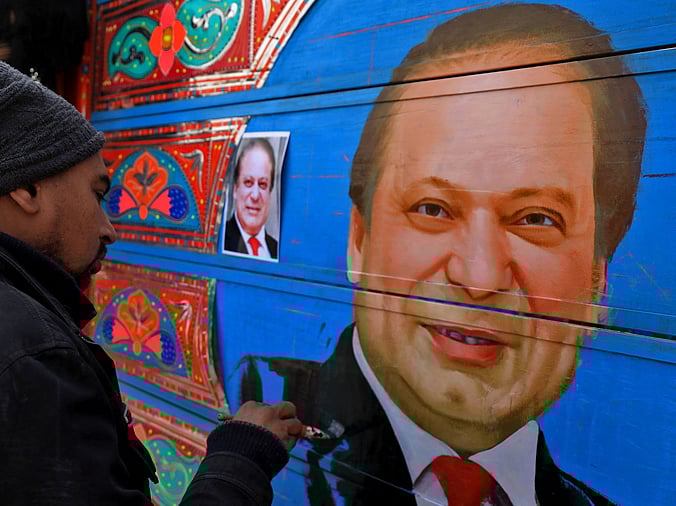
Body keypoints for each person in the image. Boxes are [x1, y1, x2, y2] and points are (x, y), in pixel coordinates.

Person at [0, 47, 303, 505]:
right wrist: (241, 458)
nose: (109, 228)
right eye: (97, 194)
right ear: (26, 188)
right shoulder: (24, 353)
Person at [238, 4, 646, 505]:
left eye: (536, 219)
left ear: (597, 282)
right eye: (432, 209)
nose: (479, 276)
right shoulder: (254, 425)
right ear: (360, 240)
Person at [223, 138, 279, 259]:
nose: (255, 196)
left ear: (270, 193)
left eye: (263, 184)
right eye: (248, 182)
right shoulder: (220, 240)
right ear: (235, 189)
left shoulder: (277, 249)